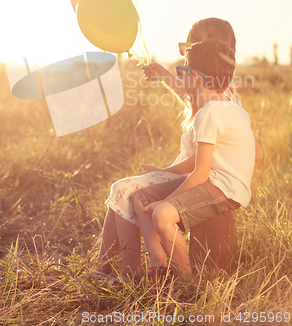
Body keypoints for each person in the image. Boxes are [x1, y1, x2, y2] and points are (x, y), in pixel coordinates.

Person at [95, 18, 261, 282]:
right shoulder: (215, 89)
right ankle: (127, 267)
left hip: (201, 176)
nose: (184, 56)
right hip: (193, 170)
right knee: (128, 192)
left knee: (124, 190)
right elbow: (188, 91)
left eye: (188, 48)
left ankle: (131, 269)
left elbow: (219, 161)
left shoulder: (220, 102)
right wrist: (163, 73)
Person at [133, 39, 256, 282]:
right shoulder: (223, 107)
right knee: (141, 196)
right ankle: (161, 265)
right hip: (212, 180)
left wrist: (165, 201)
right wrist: (163, 171)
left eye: (183, 70)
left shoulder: (209, 113)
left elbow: (200, 173)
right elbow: (198, 162)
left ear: (196, 78)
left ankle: (186, 282)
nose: (181, 76)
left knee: (162, 214)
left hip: (225, 189)